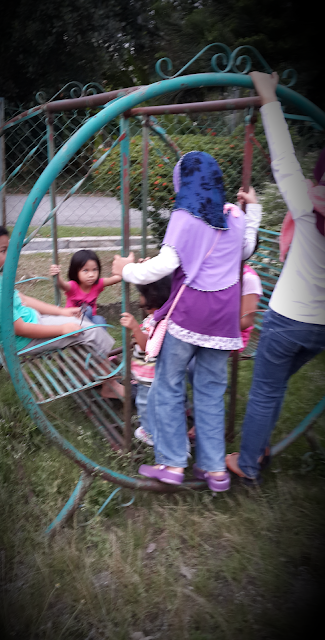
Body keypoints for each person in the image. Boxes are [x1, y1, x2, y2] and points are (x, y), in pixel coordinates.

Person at [112, 151, 262, 490]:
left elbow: (164, 264)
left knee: (168, 384)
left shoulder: (184, 217)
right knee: (210, 392)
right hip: (224, 322)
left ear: (184, 182)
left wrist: (127, 270)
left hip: (189, 316)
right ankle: (215, 470)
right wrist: (253, 210)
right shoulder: (233, 216)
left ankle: (172, 462)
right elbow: (246, 249)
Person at [225, 71, 325, 482]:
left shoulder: (310, 207)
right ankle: (258, 442)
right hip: (321, 330)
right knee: (277, 383)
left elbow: (283, 158)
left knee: (266, 389)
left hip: (289, 320)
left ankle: (248, 463)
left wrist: (267, 95)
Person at [0, 221, 121, 398]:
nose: (10, 256)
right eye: (3, 251)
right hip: (25, 340)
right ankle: (109, 384)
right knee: (92, 331)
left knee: (82, 323)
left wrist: (61, 312)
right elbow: (20, 329)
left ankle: (92, 371)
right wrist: (62, 329)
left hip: (32, 323)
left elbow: (23, 299)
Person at [187, 261, 262, 441]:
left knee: (196, 366)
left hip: (232, 335)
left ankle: (204, 419)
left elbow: (246, 321)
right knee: (184, 360)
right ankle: (198, 406)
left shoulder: (248, 278)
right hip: (212, 330)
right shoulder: (224, 268)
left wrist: (212, 324)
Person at [120, 276, 172, 446]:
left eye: (141, 294)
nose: (140, 298)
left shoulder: (160, 323)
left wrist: (135, 328)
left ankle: (149, 432)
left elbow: (148, 348)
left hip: (149, 376)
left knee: (144, 403)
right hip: (150, 374)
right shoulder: (156, 319)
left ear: (153, 297)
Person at [50, 249, 121, 326]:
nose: (91, 274)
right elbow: (62, 285)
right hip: (72, 320)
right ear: (75, 272)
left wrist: (122, 266)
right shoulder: (73, 286)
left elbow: (116, 278)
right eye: (85, 270)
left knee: (100, 320)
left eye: (94, 270)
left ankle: (98, 337)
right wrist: (57, 275)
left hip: (90, 320)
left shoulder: (98, 284)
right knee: (88, 309)